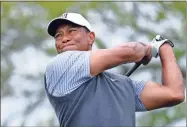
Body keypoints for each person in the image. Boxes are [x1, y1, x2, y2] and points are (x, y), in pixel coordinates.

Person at [44, 12, 184, 127]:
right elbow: (131, 51)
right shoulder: (59, 66)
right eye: (58, 35)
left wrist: (164, 46)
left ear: (91, 37)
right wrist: (147, 49)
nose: (64, 39)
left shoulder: (123, 84)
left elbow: (174, 93)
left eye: (72, 31)